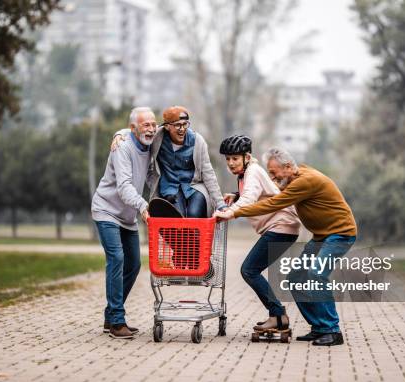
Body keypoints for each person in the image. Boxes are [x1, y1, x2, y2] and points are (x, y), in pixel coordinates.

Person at [215, 147, 357, 346]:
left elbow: (273, 202)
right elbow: (274, 191)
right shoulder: (296, 176)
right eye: (269, 172)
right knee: (296, 278)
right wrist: (238, 197)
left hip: (340, 234)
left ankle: (332, 331)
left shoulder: (305, 181)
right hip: (322, 236)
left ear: (289, 167)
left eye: (274, 172)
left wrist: (234, 213)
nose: (271, 177)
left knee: (316, 275)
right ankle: (318, 327)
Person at [219, 135, 301, 332]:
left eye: (235, 158)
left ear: (247, 157)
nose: (230, 163)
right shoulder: (247, 174)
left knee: (249, 270)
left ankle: (278, 315)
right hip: (283, 228)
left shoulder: (253, 171)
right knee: (251, 270)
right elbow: (262, 193)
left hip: (281, 227)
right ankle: (278, 316)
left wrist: (228, 213)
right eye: (228, 159)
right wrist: (235, 195)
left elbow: (250, 198)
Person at [91, 107, 157, 339]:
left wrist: (161, 193)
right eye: (145, 125)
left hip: (127, 216)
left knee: (134, 265)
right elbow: (124, 185)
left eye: (153, 124)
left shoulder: (150, 145)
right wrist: (143, 205)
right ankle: (117, 320)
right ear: (133, 129)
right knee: (117, 258)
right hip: (106, 210)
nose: (151, 129)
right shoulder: (122, 147)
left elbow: (150, 175)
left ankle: (111, 315)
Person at [112, 105, 225, 217]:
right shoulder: (157, 136)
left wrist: (220, 204)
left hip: (193, 186)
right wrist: (120, 134)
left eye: (185, 124)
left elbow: (208, 174)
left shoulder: (198, 142)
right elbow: (137, 129)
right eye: (177, 125)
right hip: (170, 189)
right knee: (177, 218)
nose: (182, 129)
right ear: (167, 126)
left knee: (193, 214)